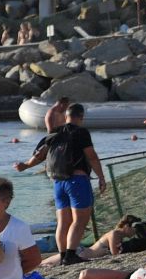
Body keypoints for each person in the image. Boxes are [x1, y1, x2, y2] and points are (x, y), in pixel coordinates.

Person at [16, 103, 103, 264]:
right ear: (81, 117)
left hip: (58, 183)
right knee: (80, 220)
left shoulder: (55, 132)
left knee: (63, 222)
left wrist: (25, 166)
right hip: (77, 181)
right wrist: (101, 177)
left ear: (66, 117)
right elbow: (91, 156)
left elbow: (40, 155)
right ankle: (71, 255)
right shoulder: (81, 132)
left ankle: (63, 255)